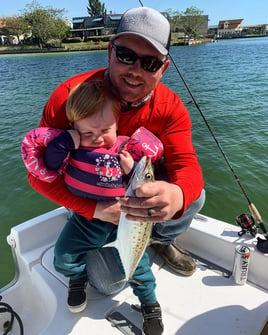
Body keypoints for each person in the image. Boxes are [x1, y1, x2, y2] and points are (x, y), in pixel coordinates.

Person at [26, 7, 205, 335]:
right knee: (108, 286)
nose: (136, 71)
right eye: (126, 55)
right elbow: (36, 175)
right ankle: (110, 240)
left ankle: (159, 240)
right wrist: (94, 209)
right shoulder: (71, 97)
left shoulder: (171, 108)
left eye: (150, 63)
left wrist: (176, 194)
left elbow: (186, 166)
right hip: (92, 202)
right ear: (110, 52)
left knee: (195, 197)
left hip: (134, 196)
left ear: (163, 68)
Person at [22, 80, 165, 334]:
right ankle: (77, 278)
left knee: (137, 266)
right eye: (87, 133)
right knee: (63, 256)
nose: (98, 139)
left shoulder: (125, 150)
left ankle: (150, 303)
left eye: (105, 130)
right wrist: (65, 142)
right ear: (74, 130)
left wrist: (131, 169)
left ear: (117, 122)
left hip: (124, 223)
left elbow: (144, 182)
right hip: (84, 221)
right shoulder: (72, 150)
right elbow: (51, 166)